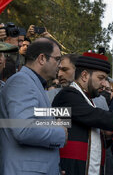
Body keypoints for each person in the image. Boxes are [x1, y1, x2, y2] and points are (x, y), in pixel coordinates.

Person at [0, 38, 68, 175]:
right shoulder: (21, 81)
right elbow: (24, 128)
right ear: (42, 58)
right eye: (57, 59)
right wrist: (61, 133)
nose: (60, 65)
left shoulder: (33, 83)